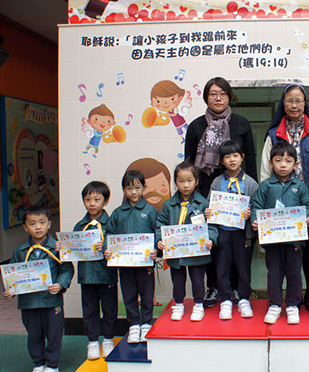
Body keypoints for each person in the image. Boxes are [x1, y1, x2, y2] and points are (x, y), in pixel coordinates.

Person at [184, 76, 257, 308]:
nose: (218, 98)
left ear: (229, 97)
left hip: (237, 193)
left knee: (236, 242)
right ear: (206, 97)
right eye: (213, 94)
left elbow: (250, 157)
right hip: (207, 190)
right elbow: (189, 162)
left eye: (223, 94)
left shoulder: (241, 123)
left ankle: (236, 289)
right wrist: (194, 196)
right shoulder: (196, 126)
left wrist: (252, 191)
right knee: (213, 241)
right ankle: (214, 287)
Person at [261, 84, 309, 312]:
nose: (294, 105)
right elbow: (265, 174)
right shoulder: (273, 134)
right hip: (281, 206)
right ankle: (283, 296)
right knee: (284, 253)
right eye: (289, 100)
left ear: (304, 103)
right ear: (283, 104)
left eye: (298, 100)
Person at [3, 205, 74, 372]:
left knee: (54, 334)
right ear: (25, 227)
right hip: (29, 303)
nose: (38, 227)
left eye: (42, 222)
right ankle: (39, 363)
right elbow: (12, 274)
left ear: (49, 224)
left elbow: (67, 269)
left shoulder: (57, 248)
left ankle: (52, 365)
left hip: (52, 301)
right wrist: (10, 290)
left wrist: (60, 284)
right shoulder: (20, 251)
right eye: (32, 223)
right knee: (34, 334)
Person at [251, 141, 309, 325]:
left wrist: (308, 217)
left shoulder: (300, 186)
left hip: (295, 241)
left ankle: (293, 305)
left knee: (294, 273)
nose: (283, 165)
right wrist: (255, 219)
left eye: (288, 161)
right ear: (271, 163)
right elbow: (256, 205)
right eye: (278, 160)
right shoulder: (265, 186)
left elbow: (308, 205)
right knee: (274, 273)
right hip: (273, 241)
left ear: (295, 164)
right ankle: (275, 304)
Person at [57, 181, 117, 360]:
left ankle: (108, 339)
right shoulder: (79, 226)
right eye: (87, 199)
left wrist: (107, 246)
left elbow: (119, 248)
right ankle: (92, 341)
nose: (92, 203)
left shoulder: (112, 224)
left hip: (107, 275)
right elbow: (72, 250)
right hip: (87, 276)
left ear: (106, 201)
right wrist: (63, 248)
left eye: (97, 199)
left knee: (110, 309)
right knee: (89, 310)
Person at [156, 162, 218, 321]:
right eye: (181, 181)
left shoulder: (203, 204)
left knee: (198, 280)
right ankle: (178, 304)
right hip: (176, 254)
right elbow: (160, 225)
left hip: (197, 253)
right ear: (175, 182)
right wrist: (160, 240)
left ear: (196, 181)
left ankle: (198, 304)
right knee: (177, 280)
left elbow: (211, 225)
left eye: (189, 181)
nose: (185, 185)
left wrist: (211, 239)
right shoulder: (169, 205)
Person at [204, 140, 259, 320]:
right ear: (221, 160)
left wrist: (251, 214)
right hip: (222, 231)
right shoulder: (217, 182)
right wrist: (208, 211)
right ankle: (226, 299)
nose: (232, 160)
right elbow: (210, 204)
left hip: (243, 233)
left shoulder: (250, 183)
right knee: (222, 266)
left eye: (235, 155)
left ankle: (243, 298)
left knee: (243, 267)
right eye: (227, 157)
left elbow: (257, 206)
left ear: (242, 158)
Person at [104, 170, 159, 344]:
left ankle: (146, 324)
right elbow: (109, 233)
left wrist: (156, 249)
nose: (134, 192)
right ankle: (134, 324)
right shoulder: (118, 213)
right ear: (123, 190)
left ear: (144, 187)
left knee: (147, 294)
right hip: (124, 264)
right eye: (129, 188)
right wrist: (107, 249)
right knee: (128, 293)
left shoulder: (150, 211)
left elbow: (158, 233)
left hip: (145, 263)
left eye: (137, 187)